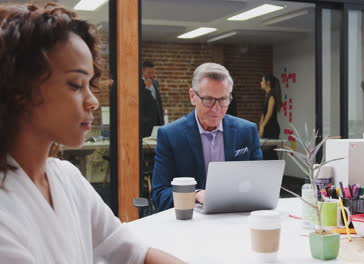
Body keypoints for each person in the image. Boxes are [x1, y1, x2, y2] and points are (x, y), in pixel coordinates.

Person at [0, 3, 184, 264]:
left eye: (90, 84)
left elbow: (134, 254)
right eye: (76, 85)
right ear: (20, 91)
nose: (93, 101)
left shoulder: (67, 178)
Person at [151, 63, 263, 211]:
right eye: (208, 100)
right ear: (192, 97)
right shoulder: (171, 135)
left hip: (236, 218)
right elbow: (159, 194)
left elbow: (260, 186)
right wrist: (195, 195)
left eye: (223, 100)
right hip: (190, 223)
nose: (216, 109)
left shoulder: (247, 131)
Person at [258, 74, 281, 160]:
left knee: (270, 152)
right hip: (267, 126)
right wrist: (260, 126)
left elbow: (269, 113)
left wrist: (263, 126)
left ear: (268, 83)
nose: (261, 83)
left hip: (272, 127)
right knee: (264, 152)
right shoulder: (267, 95)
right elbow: (263, 114)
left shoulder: (271, 96)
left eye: (262, 81)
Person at [141, 60, 164, 137]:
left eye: (152, 72)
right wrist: (147, 88)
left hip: (157, 121)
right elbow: (142, 102)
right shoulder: (138, 83)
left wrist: (162, 120)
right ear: (143, 71)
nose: (151, 75)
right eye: (149, 72)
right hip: (145, 124)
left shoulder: (155, 82)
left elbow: (158, 102)